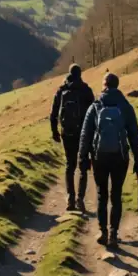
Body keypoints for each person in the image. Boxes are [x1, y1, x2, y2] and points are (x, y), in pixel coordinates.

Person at [79, 72, 138, 249]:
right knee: (116, 195)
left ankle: (103, 232)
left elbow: (86, 134)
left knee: (101, 195)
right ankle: (114, 233)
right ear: (117, 85)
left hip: (99, 157)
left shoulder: (96, 106)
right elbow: (134, 134)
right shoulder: (125, 106)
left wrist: (82, 157)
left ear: (104, 85)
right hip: (120, 157)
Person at [50, 64, 95, 212]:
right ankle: (80, 199)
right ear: (80, 74)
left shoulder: (62, 90)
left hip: (67, 133)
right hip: (83, 134)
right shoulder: (86, 90)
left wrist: (55, 132)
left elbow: (53, 113)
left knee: (70, 166)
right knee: (83, 167)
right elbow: (94, 113)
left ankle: (70, 198)